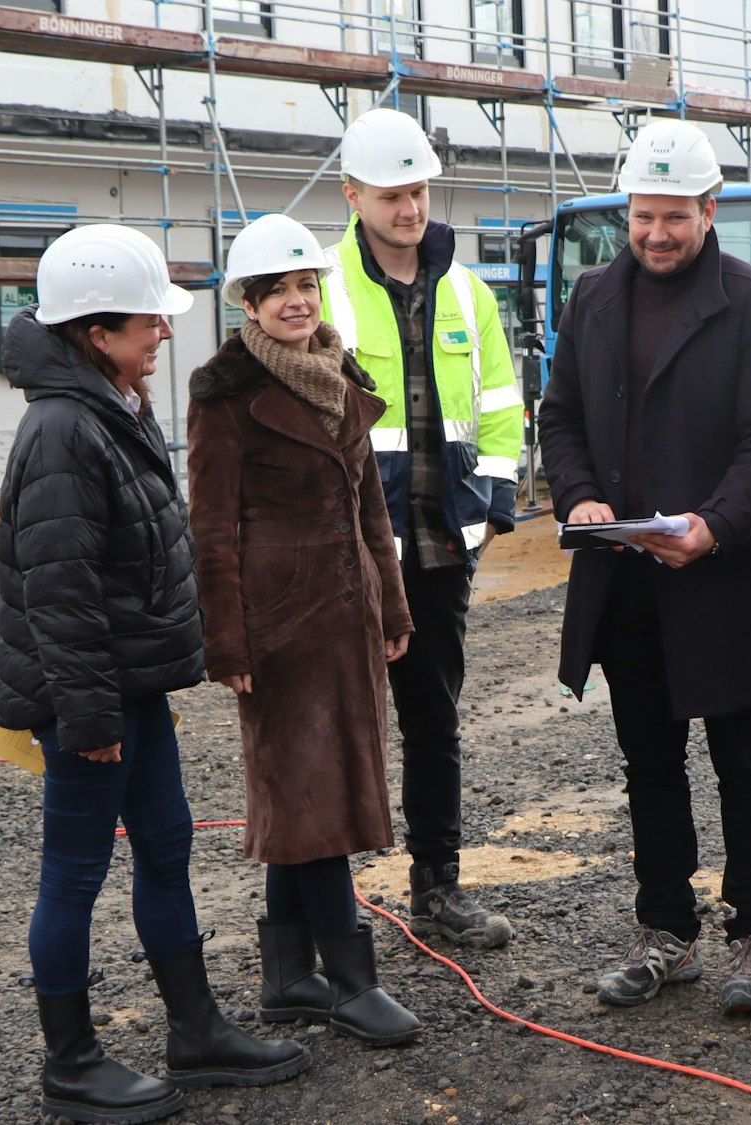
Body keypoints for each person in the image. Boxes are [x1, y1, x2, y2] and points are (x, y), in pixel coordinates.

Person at [0, 224, 309, 1125]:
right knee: (75, 872)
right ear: (96, 332)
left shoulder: (111, 402)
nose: (164, 334)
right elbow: (59, 592)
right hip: (88, 700)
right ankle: (72, 1061)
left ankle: (196, 1029)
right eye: (147, 323)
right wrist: (88, 721)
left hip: (131, 687)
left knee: (166, 847)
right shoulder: (60, 430)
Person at [537, 119, 751, 1014]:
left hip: (719, 575)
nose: (655, 234)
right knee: (648, 761)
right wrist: (577, 495)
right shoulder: (594, 298)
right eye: (642, 216)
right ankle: (667, 929)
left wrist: (714, 525)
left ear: (709, 208)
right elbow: (561, 415)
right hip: (628, 582)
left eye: (673, 217)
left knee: (742, 759)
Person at [185, 212, 424, 1049]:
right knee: (313, 795)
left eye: (305, 284)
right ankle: (352, 981)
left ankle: (290, 977)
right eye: (276, 289)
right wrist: (228, 641)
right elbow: (211, 527)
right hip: (279, 627)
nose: (296, 299)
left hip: (348, 615)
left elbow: (371, 507)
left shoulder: (336, 370)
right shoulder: (225, 396)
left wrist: (393, 606)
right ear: (247, 304)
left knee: (313, 793)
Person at [319, 108, 524, 949]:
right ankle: (322, 911)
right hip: (347, 551)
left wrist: (496, 499)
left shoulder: (467, 290)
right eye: (394, 194)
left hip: (439, 546)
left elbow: (503, 402)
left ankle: (437, 884)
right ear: (353, 194)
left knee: (432, 721)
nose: (411, 209)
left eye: (420, 192)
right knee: (333, 725)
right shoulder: (320, 284)